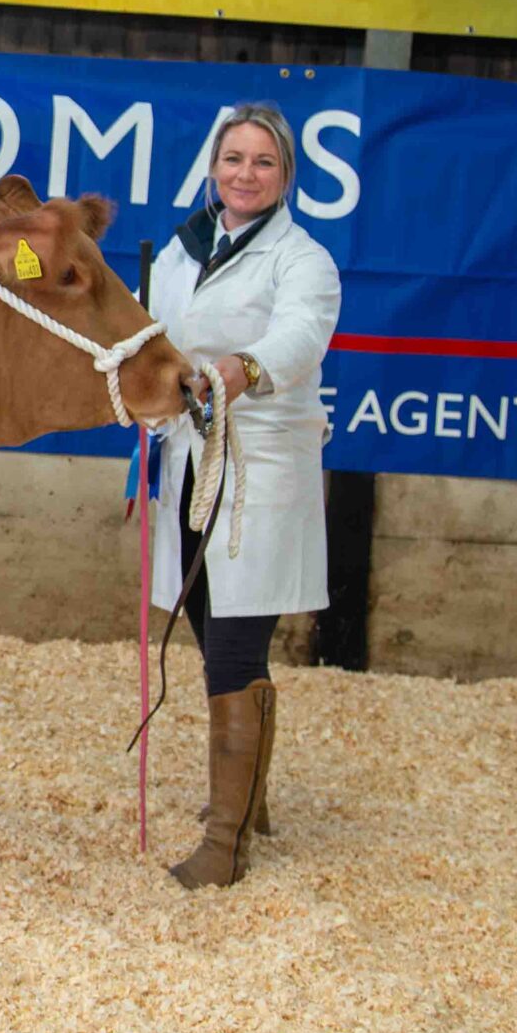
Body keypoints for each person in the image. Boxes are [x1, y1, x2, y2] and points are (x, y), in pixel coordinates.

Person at [146, 101, 342, 889]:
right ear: (213, 167)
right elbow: (154, 332)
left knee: (234, 642)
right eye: (234, 158)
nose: (246, 174)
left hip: (258, 464)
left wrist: (243, 367)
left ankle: (224, 843)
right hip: (190, 458)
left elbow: (301, 336)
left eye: (264, 161)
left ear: (285, 173)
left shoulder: (303, 258)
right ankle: (248, 801)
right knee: (209, 625)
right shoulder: (180, 249)